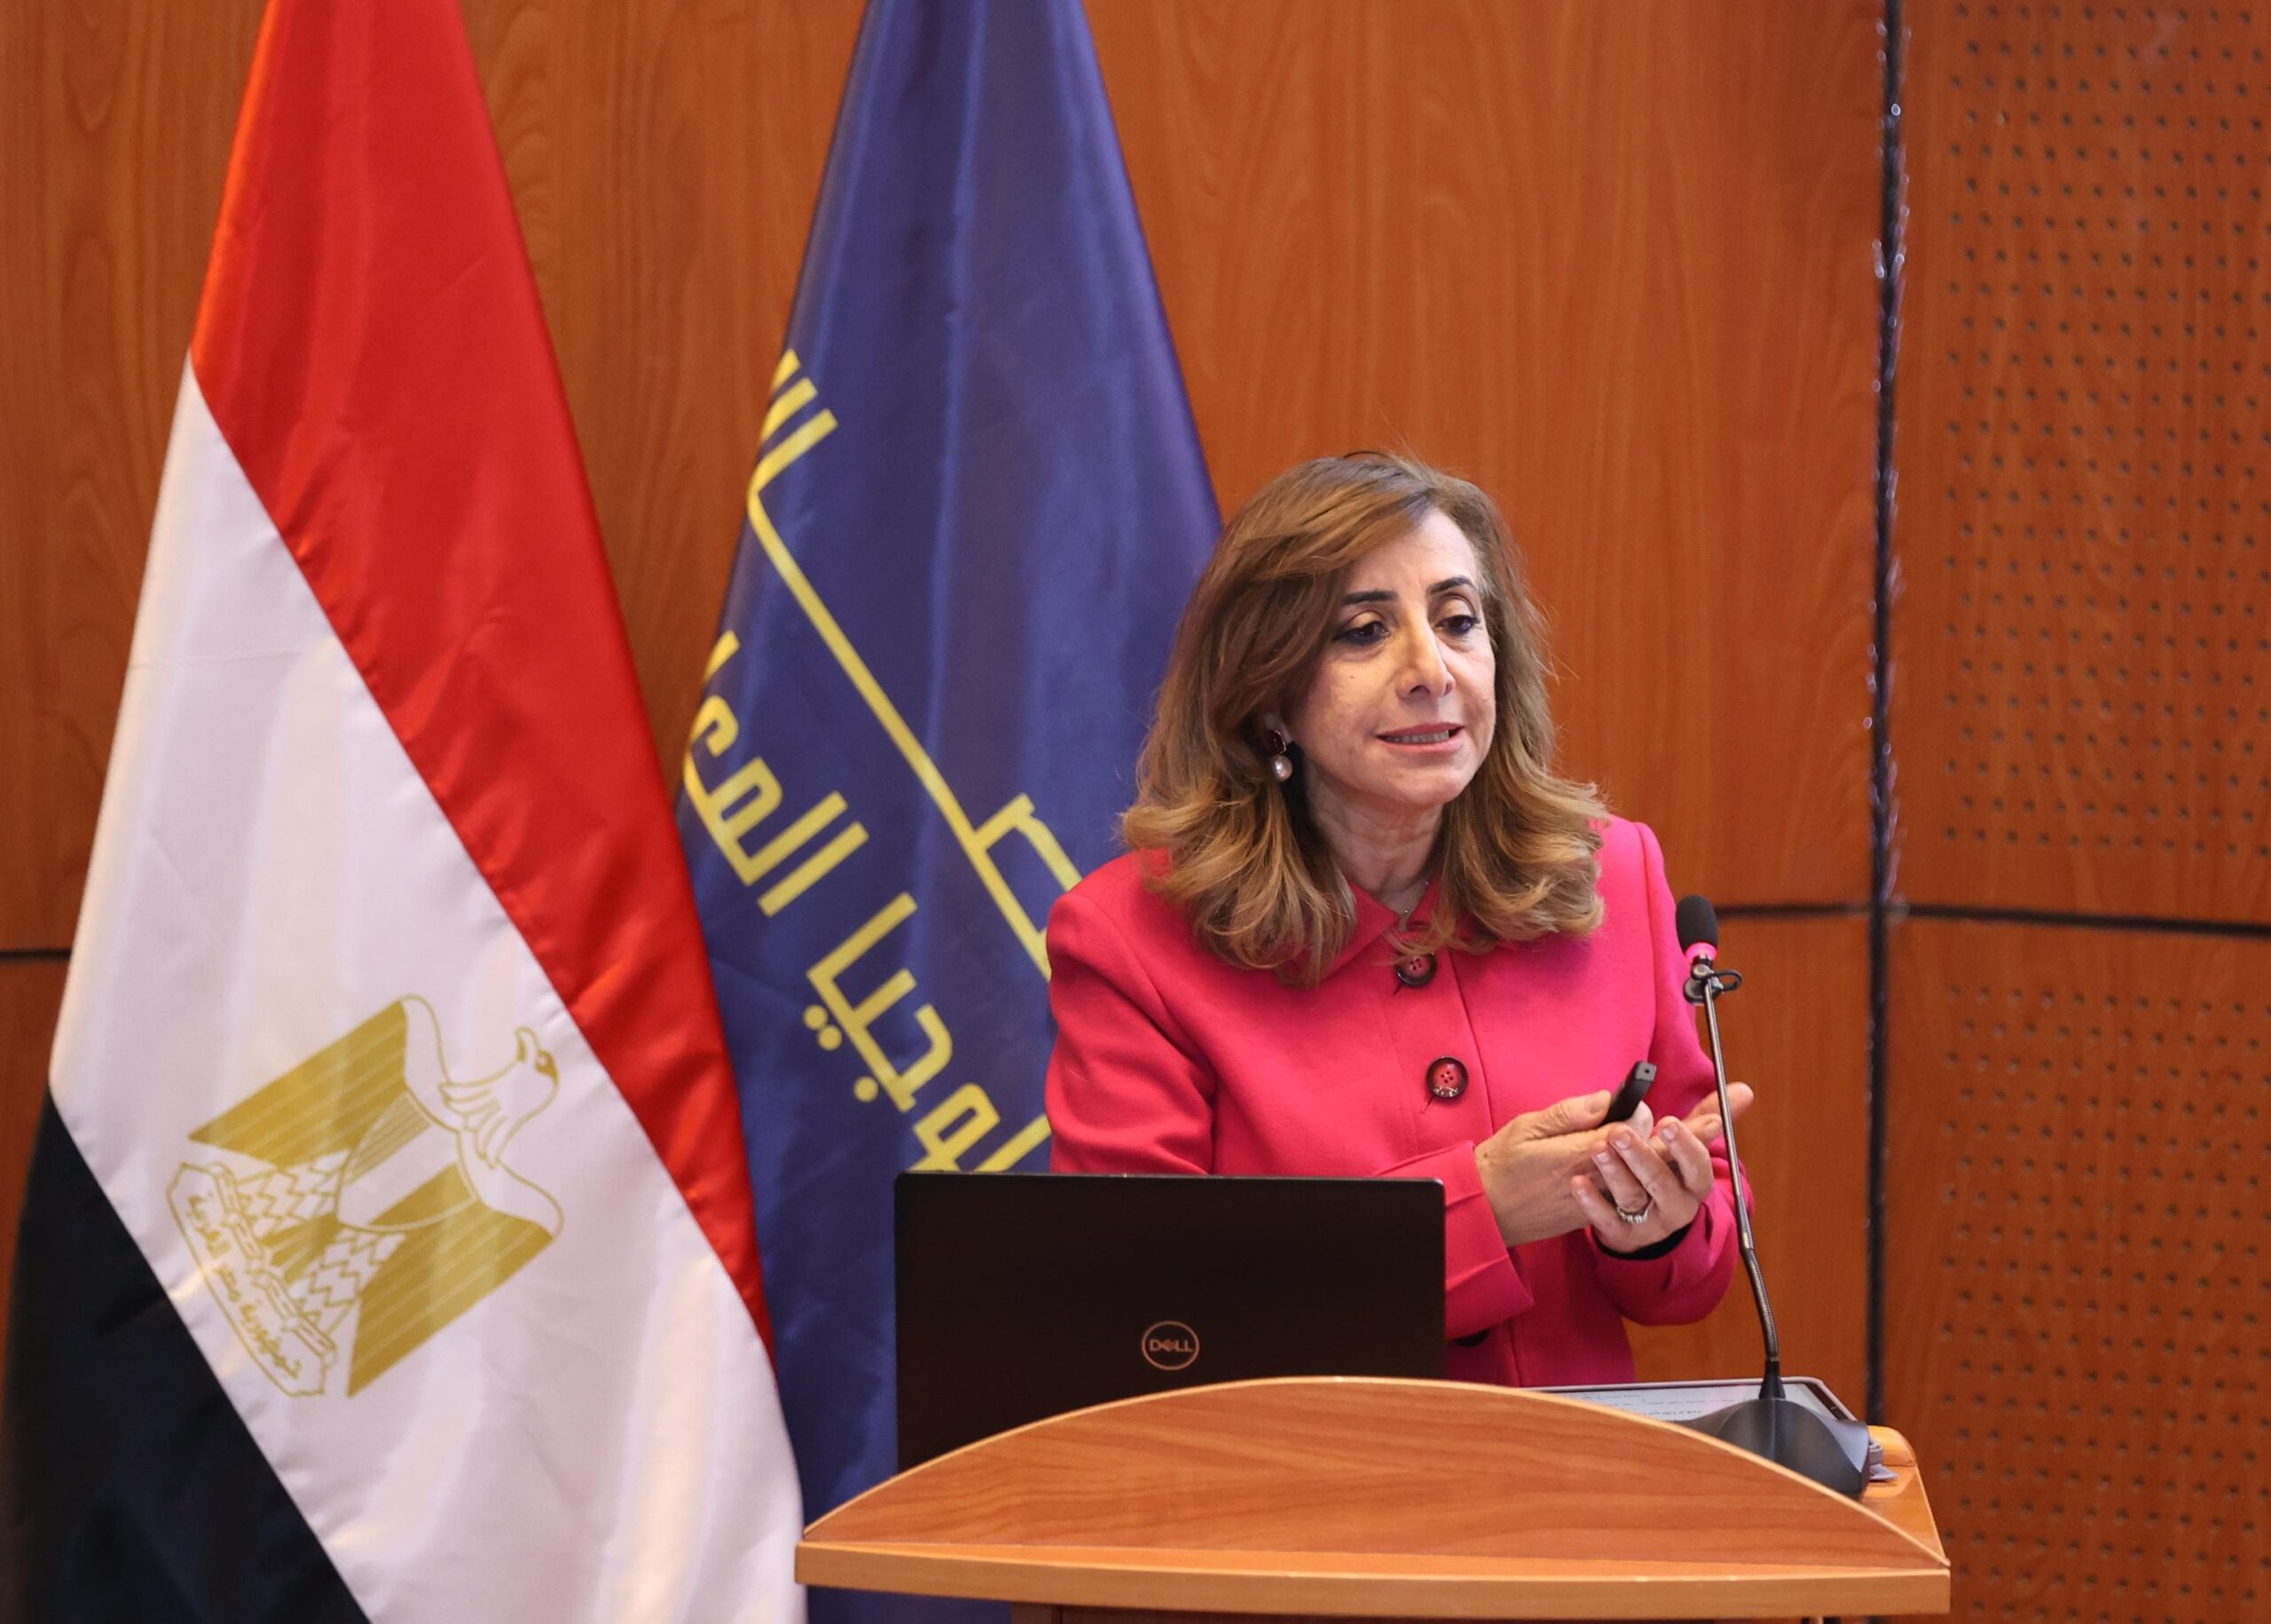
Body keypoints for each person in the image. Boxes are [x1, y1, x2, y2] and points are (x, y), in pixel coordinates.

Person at [1043, 451, 1754, 1386]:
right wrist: (1480, 1210)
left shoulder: (1613, 875)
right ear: (1268, 692)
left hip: (1571, 1471)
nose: (1431, 670)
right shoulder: (1135, 937)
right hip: (1295, 1472)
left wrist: (1652, 1223)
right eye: (1364, 632)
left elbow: (1696, 1272)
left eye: (1458, 621)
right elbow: (1146, 1311)